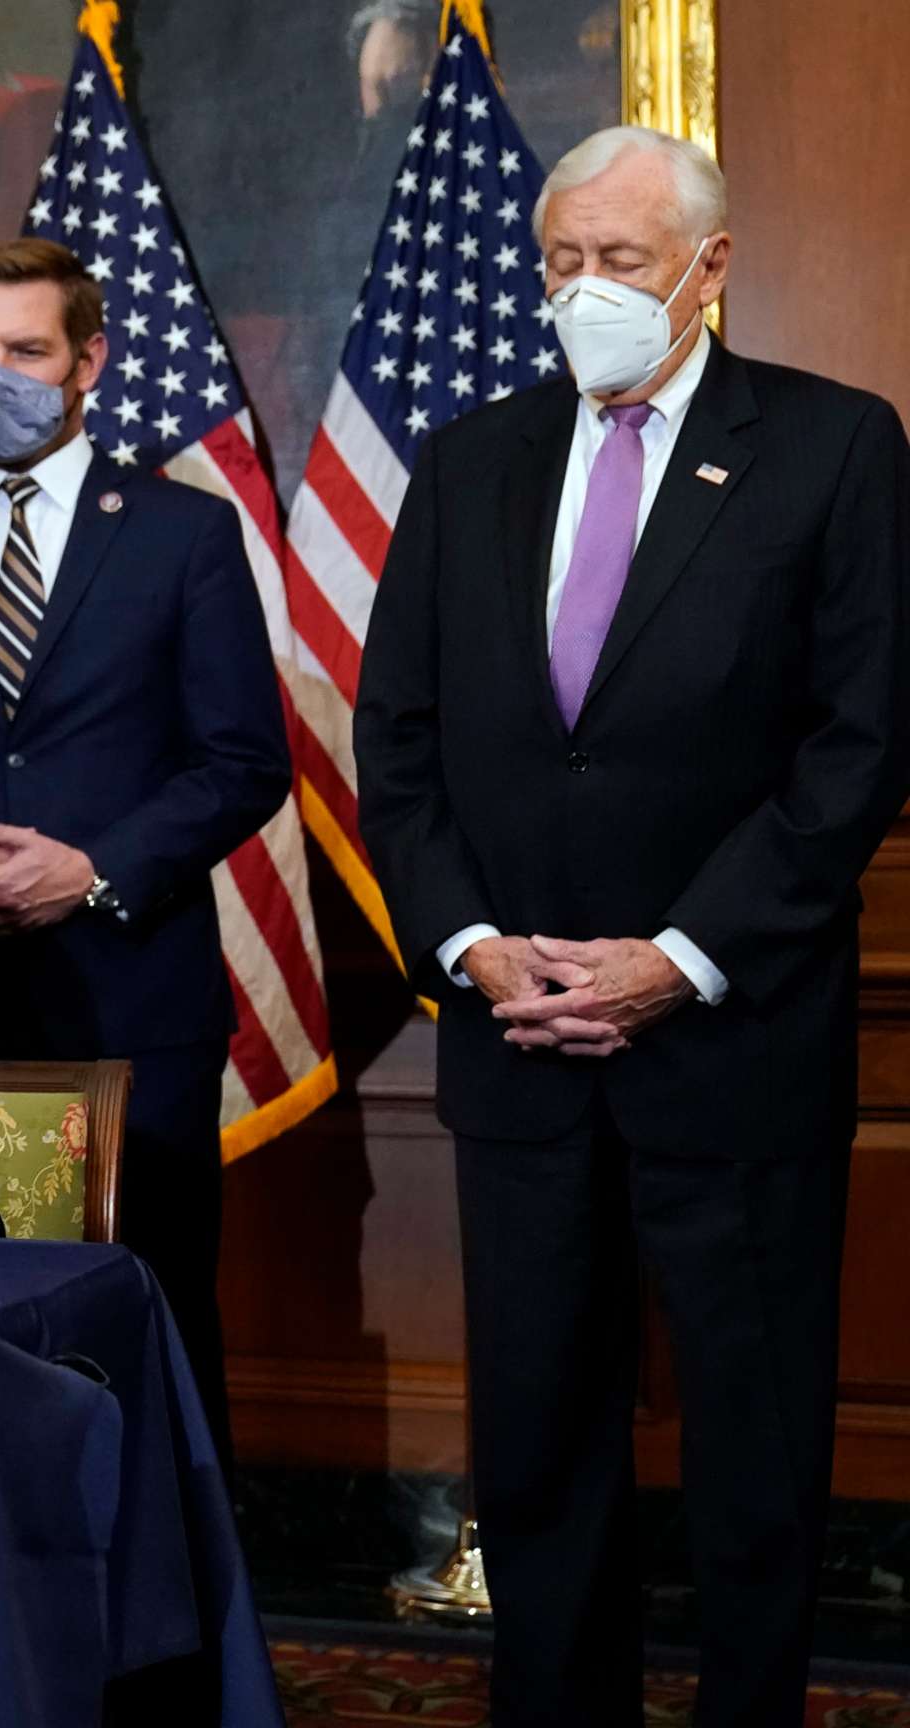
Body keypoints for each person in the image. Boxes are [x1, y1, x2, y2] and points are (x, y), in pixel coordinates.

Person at [354, 127, 910, 1726]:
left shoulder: (831, 446)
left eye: (619, 259)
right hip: (518, 1039)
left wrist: (681, 957)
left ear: (709, 267)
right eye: (560, 262)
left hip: (731, 1043)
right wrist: (471, 947)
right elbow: (399, 744)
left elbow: (859, 746)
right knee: (538, 1446)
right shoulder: (471, 461)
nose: (581, 292)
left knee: (751, 1449)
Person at [0, 238, 289, 1464]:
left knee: (155, 1313)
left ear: (89, 362)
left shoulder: (184, 535)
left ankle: (176, 1634)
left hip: (133, 1002)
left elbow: (244, 764)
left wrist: (88, 867)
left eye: (25, 350)